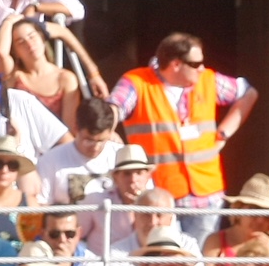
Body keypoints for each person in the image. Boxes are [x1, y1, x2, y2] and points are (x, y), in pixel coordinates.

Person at [109, 33, 258, 249]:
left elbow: (248, 93)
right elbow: (113, 108)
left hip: (206, 197)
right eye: (195, 63)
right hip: (159, 197)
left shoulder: (207, 79)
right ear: (176, 64)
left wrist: (224, 133)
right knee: (160, 258)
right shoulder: (137, 83)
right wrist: (109, 131)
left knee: (198, 263)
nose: (201, 68)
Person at [0, 17, 81, 128]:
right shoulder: (15, 76)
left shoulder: (65, 78)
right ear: (15, 51)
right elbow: (1, 53)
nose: (29, 44)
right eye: (21, 42)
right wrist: (8, 21)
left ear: (42, 38)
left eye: (32, 37)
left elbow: (69, 127)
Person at [36, 97, 119, 206]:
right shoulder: (49, 161)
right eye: (89, 140)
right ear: (76, 128)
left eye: (101, 141)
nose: (95, 147)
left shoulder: (121, 156)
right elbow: (41, 205)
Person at [79, 143, 154, 252]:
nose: (133, 179)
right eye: (127, 174)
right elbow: (76, 236)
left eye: (139, 173)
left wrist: (139, 206)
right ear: (115, 177)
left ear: (148, 176)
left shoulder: (159, 204)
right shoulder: (96, 201)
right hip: (103, 265)